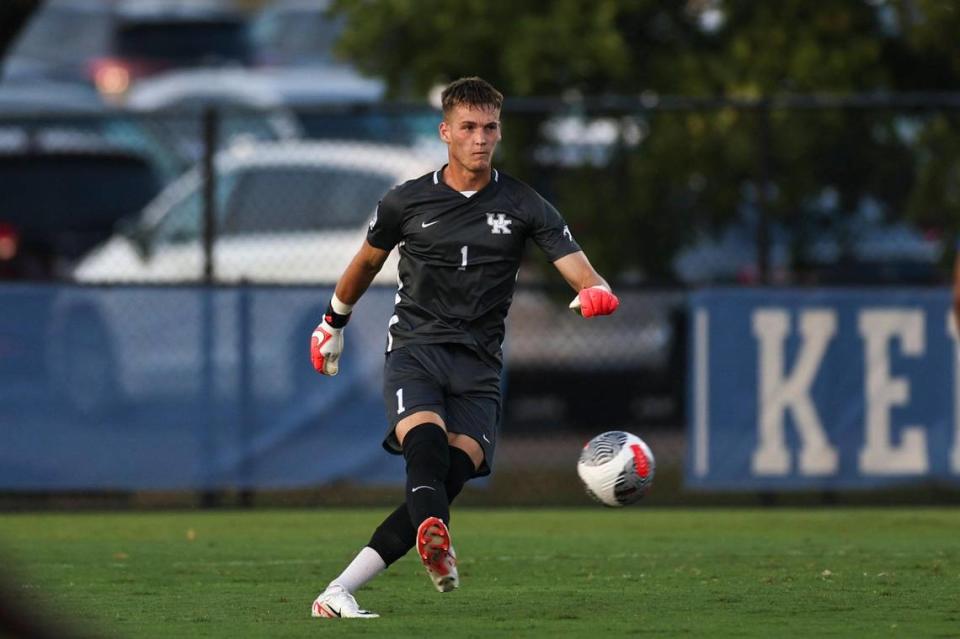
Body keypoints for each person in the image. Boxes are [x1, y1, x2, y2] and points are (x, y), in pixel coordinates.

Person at [308, 76, 620, 619]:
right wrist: (332, 322)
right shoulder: (406, 201)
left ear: (499, 131)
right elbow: (364, 264)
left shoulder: (524, 203)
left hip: (479, 367)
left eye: (490, 127)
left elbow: (584, 274)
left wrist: (595, 293)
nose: (480, 138)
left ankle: (340, 590)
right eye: (469, 128)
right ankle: (429, 541)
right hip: (417, 348)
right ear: (445, 132)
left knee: (441, 485)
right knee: (424, 449)